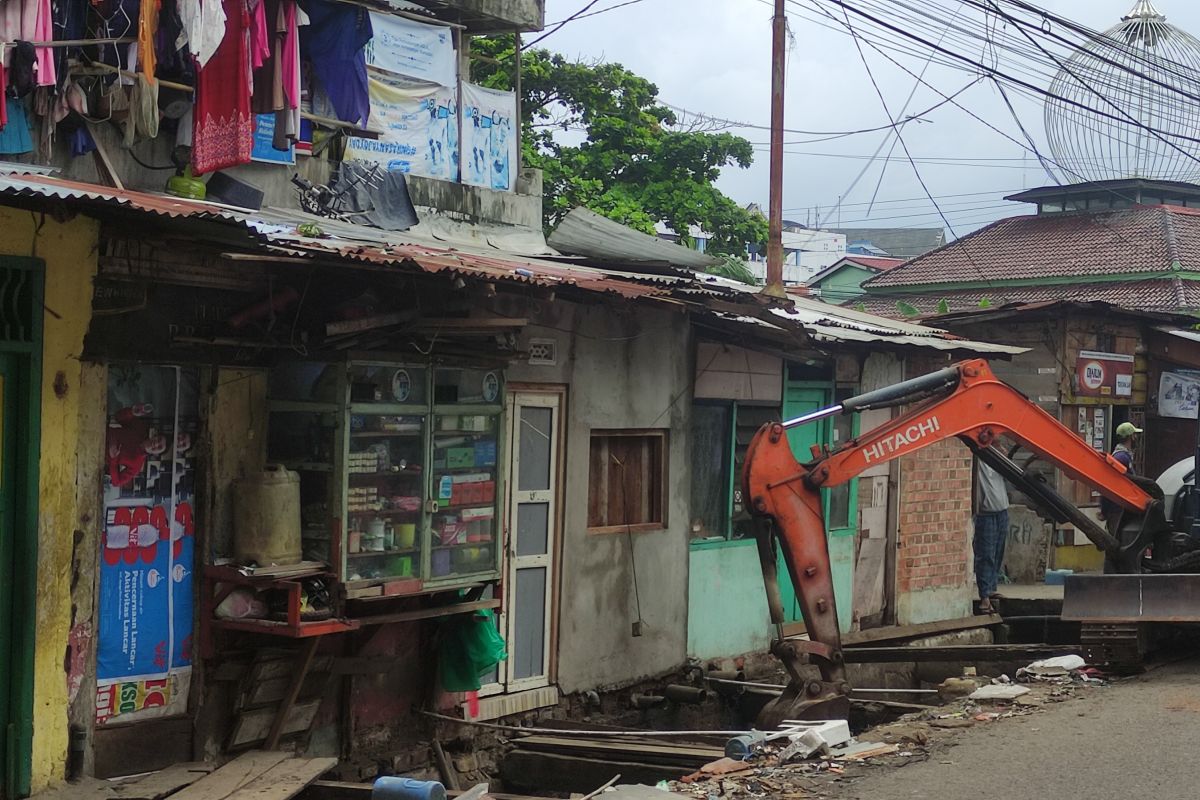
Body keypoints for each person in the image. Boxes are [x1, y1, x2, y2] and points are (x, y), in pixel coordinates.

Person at [1101, 421, 1142, 573]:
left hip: (1118, 506)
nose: (1137, 437)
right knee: (1114, 541)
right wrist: (1104, 509)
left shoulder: (1124, 455)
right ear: (1131, 437)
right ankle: (1111, 573)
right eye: (1135, 435)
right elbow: (1108, 483)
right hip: (1116, 507)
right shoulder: (1121, 457)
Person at [974, 457, 1010, 614]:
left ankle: (991, 587)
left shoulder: (996, 458)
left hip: (1002, 509)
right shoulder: (979, 461)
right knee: (986, 553)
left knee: (997, 552)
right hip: (986, 513)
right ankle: (984, 596)